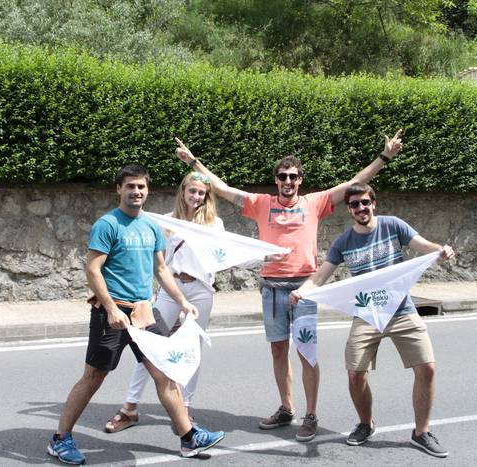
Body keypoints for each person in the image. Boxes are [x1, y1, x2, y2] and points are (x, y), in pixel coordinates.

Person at [174, 132, 403, 442]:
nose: (288, 181)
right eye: (282, 176)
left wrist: (385, 157)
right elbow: (223, 189)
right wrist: (193, 162)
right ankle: (286, 407)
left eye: (293, 176)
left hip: (304, 289)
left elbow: (354, 183)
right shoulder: (261, 203)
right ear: (276, 180)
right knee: (278, 350)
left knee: (307, 353)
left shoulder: (314, 202)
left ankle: (311, 415)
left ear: (300, 180)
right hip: (271, 289)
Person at [47, 164, 224, 465]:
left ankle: (188, 437)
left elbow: (161, 269)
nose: (136, 191)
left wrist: (182, 301)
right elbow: (93, 269)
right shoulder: (107, 225)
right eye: (130, 186)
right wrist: (111, 308)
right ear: (119, 189)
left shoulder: (151, 227)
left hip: (145, 313)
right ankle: (60, 438)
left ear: (147, 190)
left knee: (165, 372)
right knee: (94, 376)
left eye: (141, 186)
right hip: (112, 314)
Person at [290, 182, 454, 458]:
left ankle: (421, 432)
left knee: (427, 368)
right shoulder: (343, 242)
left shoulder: (393, 225)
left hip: (402, 311)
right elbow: (320, 277)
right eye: (354, 204)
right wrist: (302, 291)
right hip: (366, 314)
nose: (361, 208)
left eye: (365, 202)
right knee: (355, 375)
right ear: (349, 209)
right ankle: (366, 424)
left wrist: (441, 251)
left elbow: (424, 246)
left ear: (373, 203)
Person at [105, 171, 224, 433]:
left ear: (206, 197)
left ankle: (185, 408)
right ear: (183, 191)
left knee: (193, 350)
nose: (196, 196)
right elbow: (155, 261)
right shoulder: (165, 221)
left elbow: (226, 254)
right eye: (192, 191)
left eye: (201, 193)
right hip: (171, 289)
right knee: (149, 348)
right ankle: (130, 407)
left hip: (201, 291)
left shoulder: (215, 225)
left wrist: (265, 256)